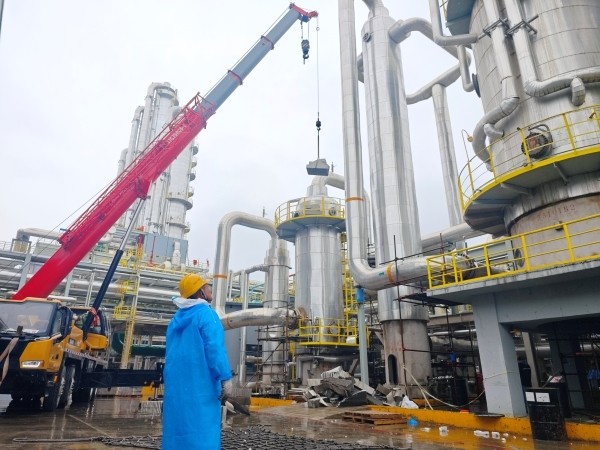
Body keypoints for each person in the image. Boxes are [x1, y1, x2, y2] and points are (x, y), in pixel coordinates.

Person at [162, 273, 233, 449]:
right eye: (207, 286)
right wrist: (225, 377)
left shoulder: (175, 320)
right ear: (200, 292)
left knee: (177, 429)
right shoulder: (207, 315)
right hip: (201, 387)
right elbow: (215, 349)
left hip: (176, 387)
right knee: (202, 430)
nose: (210, 289)